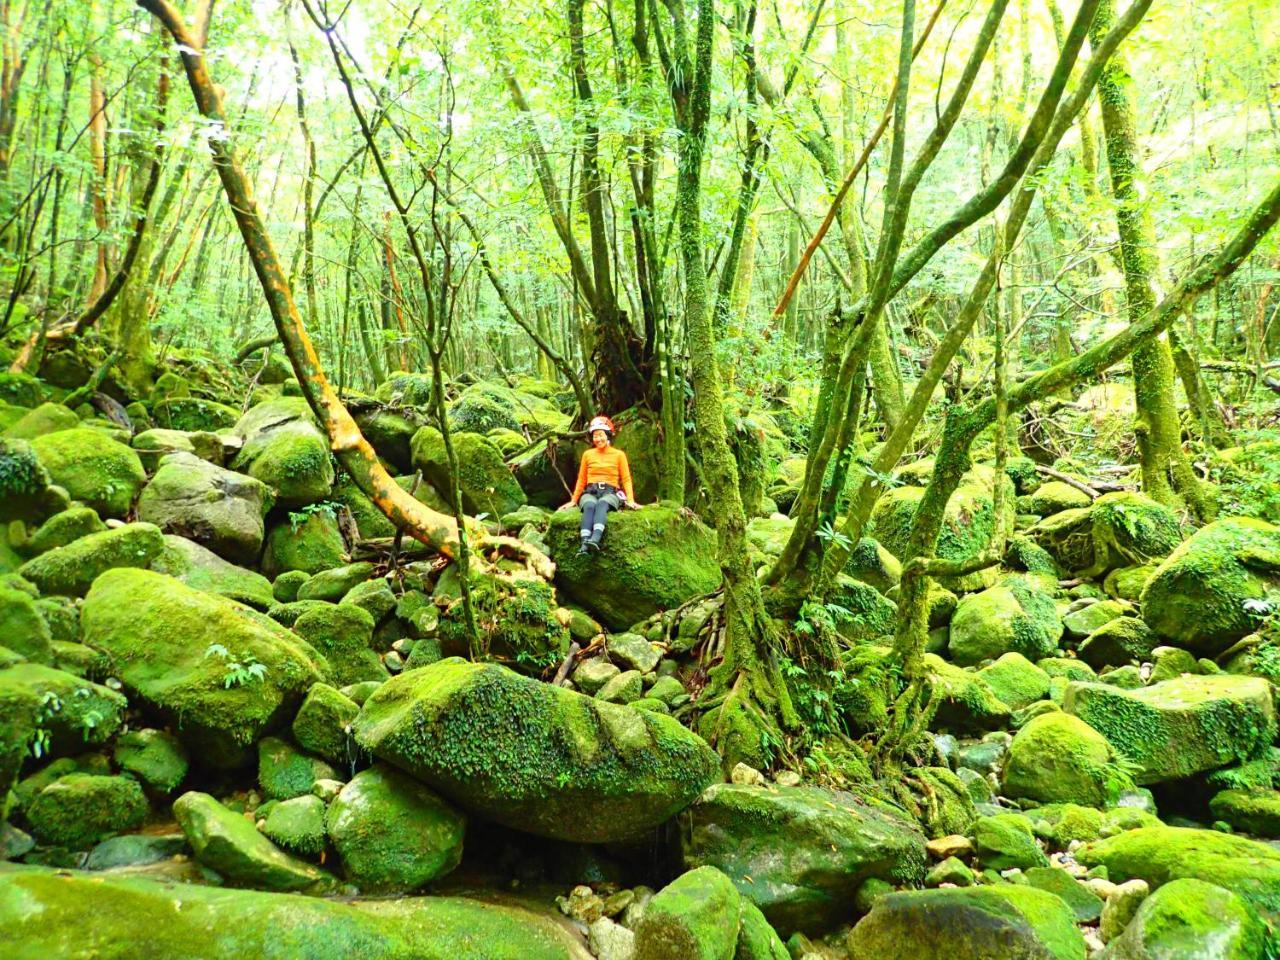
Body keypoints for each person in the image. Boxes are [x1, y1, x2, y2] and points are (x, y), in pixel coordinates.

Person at [559, 415, 639, 554]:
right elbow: (582, 479)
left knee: (602, 504)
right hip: (590, 491)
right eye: (595, 436)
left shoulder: (619, 455)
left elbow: (626, 479)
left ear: (608, 435)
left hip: (610, 492)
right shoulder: (588, 454)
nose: (598, 439)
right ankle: (584, 544)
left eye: (601, 435)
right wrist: (573, 500)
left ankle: (594, 540)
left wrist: (631, 500)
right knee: (589, 505)